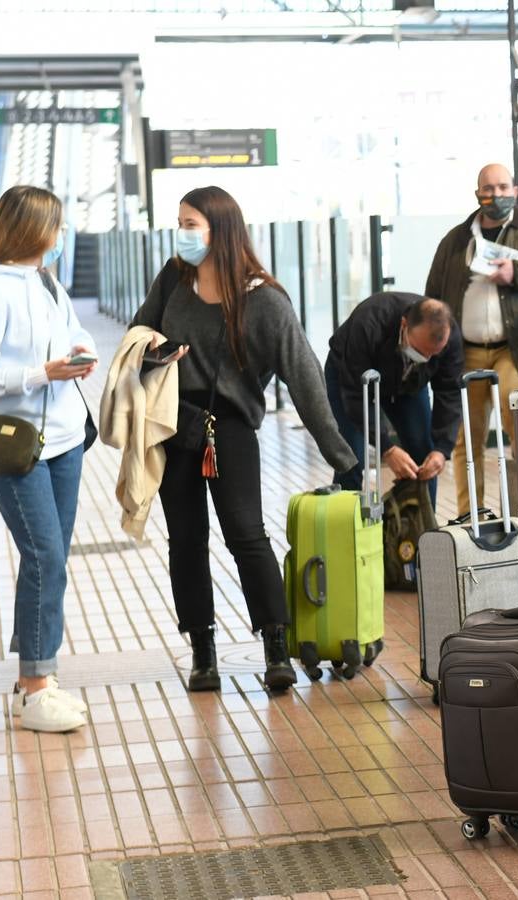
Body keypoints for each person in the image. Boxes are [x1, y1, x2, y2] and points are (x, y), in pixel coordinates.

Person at [130, 186, 356, 694]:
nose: (182, 233)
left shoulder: (263, 298)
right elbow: (137, 335)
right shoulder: (173, 278)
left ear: (221, 230)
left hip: (228, 430)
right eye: (181, 223)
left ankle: (276, 644)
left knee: (246, 535)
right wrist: (157, 353)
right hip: (172, 425)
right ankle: (202, 651)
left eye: (191, 224)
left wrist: (341, 456)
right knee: (186, 542)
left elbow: (303, 375)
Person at [0, 185, 95, 733]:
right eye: (57, 223)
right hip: (17, 445)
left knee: (52, 560)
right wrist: (41, 373)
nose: (62, 232)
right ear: (34, 231)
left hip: (66, 441)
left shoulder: (46, 282)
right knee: (45, 557)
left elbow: (71, 334)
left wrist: (78, 355)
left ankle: (38, 681)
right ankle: (35, 687)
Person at [425, 163, 518, 516]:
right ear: (477, 194)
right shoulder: (456, 240)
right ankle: (470, 514)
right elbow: (433, 293)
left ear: (514, 190)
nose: (496, 195)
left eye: (502, 187)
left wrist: (517, 273)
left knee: (517, 410)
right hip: (467, 352)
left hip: (516, 347)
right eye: (488, 189)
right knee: (468, 436)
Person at [325, 292, 463, 507]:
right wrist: (387, 449)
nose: (425, 359)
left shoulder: (449, 336)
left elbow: (449, 391)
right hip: (349, 378)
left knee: (423, 454)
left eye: (432, 355)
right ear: (404, 324)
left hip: (408, 383)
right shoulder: (370, 320)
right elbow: (354, 396)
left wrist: (443, 448)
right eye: (419, 351)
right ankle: (345, 531)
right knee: (351, 459)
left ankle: (421, 532)